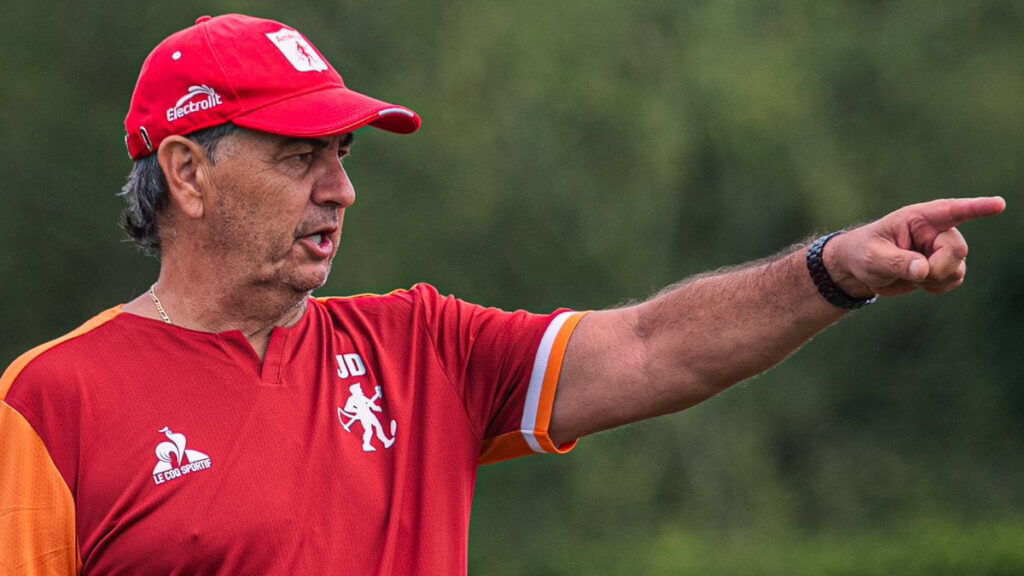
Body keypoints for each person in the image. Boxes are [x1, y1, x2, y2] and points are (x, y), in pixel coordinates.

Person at [0, 13, 1005, 576]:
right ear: (186, 172)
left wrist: (833, 269)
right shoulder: (52, 402)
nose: (340, 188)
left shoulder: (421, 346)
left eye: (342, 155)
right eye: (300, 155)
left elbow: (656, 346)